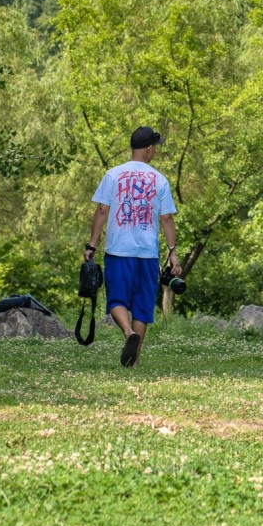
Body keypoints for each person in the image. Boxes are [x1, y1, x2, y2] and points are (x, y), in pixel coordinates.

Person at [85, 126, 182, 367]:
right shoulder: (159, 180)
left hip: (118, 250)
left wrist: (92, 245)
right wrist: (172, 252)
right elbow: (167, 219)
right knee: (143, 305)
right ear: (149, 149)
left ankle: (128, 333)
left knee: (117, 299)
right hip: (147, 253)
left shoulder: (113, 175)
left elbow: (102, 211)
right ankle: (135, 360)